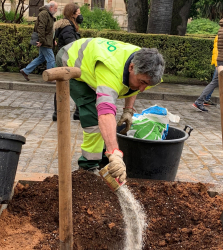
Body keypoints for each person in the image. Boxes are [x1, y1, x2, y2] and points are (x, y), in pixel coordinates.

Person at [56, 38, 165, 182]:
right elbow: (106, 112)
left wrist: (128, 110)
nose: (143, 89)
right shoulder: (110, 71)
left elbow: (133, 88)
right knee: (93, 118)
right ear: (131, 68)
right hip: (71, 61)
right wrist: (115, 153)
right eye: (142, 82)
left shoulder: (142, 62)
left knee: (105, 123)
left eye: (148, 84)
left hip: (95, 64)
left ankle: (103, 157)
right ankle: (88, 168)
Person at [51, 2, 82, 122]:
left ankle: (65, 113)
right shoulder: (68, 28)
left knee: (64, 85)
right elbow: (72, 44)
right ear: (73, 14)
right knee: (69, 85)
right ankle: (59, 113)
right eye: (78, 13)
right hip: (67, 59)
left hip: (66, 58)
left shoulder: (67, 26)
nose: (80, 16)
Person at [20, 1, 57, 81]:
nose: (56, 10)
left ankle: (26, 71)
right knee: (51, 59)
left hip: (46, 40)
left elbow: (50, 30)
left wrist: (53, 40)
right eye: (55, 8)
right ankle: (50, 77)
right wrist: (41, 40)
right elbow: (41, 28)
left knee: (41, 58)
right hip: (45, 41)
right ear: (51, 7)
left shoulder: (48, 14)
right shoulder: (44, 14)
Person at [203, 35, 223, 108]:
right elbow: (217, 51)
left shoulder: (221, 36)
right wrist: (217, 65)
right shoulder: (222, 37)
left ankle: (206, 99)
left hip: (220, 64)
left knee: (215, 82)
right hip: (221, 64)